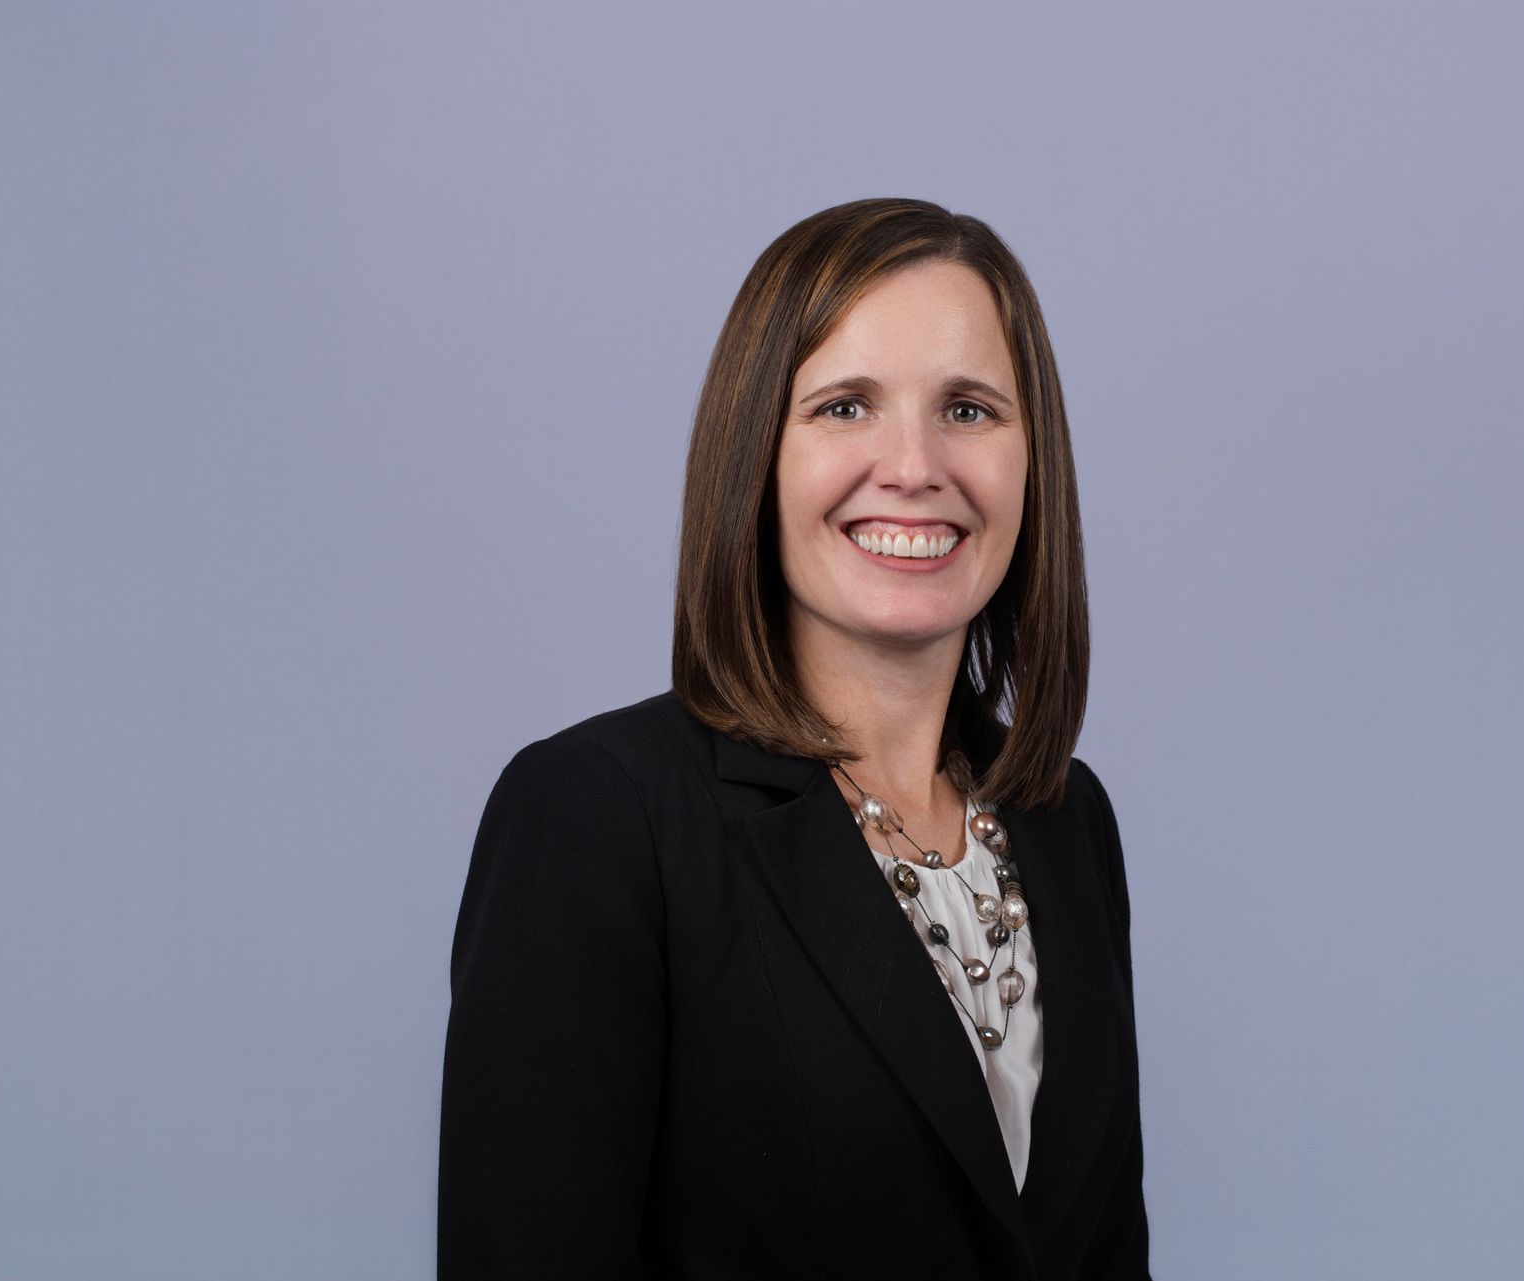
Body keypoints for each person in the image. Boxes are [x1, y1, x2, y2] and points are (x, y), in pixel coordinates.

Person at [438, 197, 1149, 1279]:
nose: (914, 466)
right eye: (846, 407)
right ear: (755, 456)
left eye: (968, 410)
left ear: (1031, 461)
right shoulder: (598, 818)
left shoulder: (1064, 817)